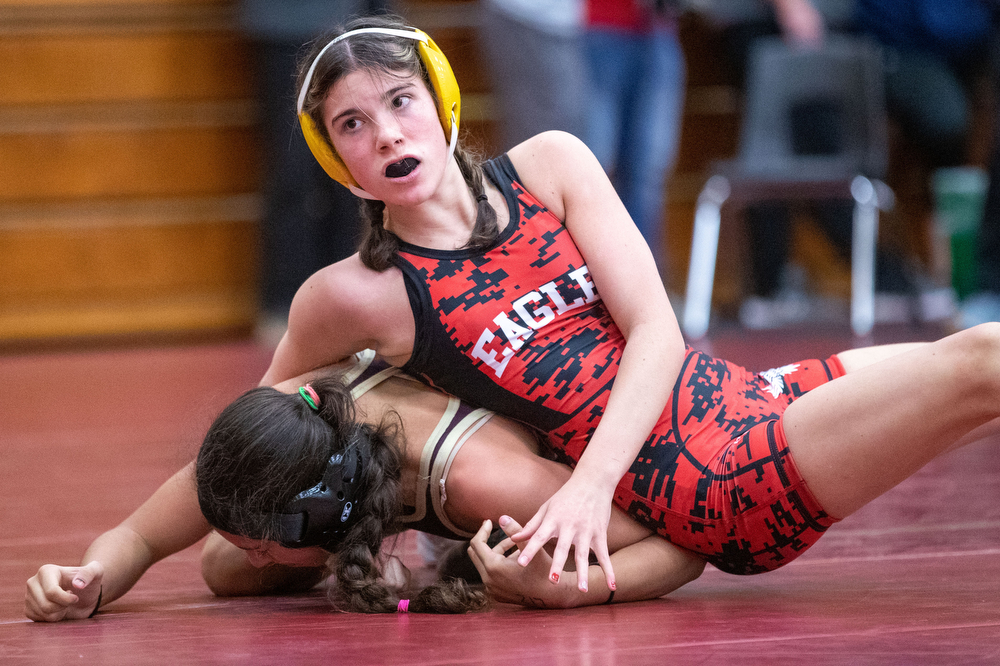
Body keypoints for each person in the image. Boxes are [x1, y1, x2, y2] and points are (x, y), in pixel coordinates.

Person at [25, 351, 704, 619]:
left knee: (234, 568)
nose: (249, 551)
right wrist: (87, 581)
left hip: (695, 427)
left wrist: (573, 589)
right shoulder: (286, 422)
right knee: (226, 570)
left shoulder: (481, 482)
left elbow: (688, 540)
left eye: (263, 542)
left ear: (321, 520)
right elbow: (141, 534)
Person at [582, 0, 687, 274]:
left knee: (649, 170)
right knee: (595, 166)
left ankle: (643, 283)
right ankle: (596, 288)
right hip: (602, 30)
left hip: (659, 32)